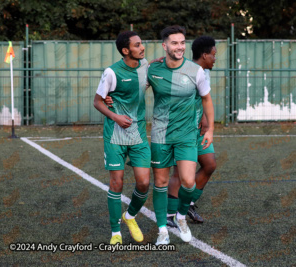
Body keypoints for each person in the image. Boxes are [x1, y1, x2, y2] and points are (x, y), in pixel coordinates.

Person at [148, 26, 215, 245]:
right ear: (164, 46)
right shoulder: (152, 70)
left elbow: (206, 99)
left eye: (183, 42)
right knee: (160, 182)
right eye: (175, 43)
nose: (180, 47)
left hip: (187, 135)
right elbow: (132, 88)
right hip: (161, 135)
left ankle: (181, 216)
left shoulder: (195, 70)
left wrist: (211, 129)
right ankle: (162, 231)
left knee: (188, 182)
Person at [93, 31, 150, 245]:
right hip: (115, 136)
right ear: (126, 50)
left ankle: (130, 216)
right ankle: (115, 232)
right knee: (117, 183)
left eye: (141, 43)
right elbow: (98, 101)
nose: (142, 47)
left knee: (144, 183)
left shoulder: (146, 68)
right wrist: (115, 116)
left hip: (138, 135)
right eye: (137, 45)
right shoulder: (111, 72)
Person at [166, 36, 217, 228]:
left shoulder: (205, 72)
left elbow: (203, 99)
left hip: (198, 130)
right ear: (204, 55)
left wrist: (204, 119)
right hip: (181, 131)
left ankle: (188, 204)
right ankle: (170, 215)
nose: (215, 58)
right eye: (213, 55)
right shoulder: (184, 70)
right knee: (178, 175)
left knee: (210, 164)